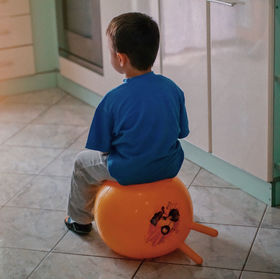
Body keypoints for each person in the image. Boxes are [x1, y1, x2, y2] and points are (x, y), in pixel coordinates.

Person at [64, 12, 189, 234]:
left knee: (83, 163)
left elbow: (102, 148)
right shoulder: (173, 89)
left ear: (120, 59)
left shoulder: (112, 100)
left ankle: (79, 220)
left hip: (129, 171)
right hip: (169, 166)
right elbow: (182, 132)